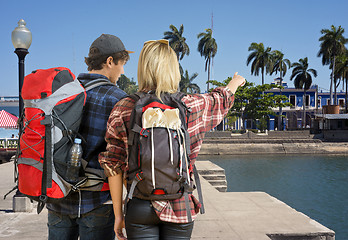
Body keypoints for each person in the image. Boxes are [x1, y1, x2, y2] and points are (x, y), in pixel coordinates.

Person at [99, 39, 245, 240]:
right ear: (173, 68)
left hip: (140, 204)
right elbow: (221, 99)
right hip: (180, 203)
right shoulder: (192, 105)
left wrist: (118, 214)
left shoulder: (124, 107)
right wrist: (235, 82)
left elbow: (113, 165)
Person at [46, 34, 133, 240]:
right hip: (97, 202)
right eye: (122, 64)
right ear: (110, 61)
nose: (123, 71)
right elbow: (122, 157)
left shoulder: (63, 93)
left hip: (58, 195)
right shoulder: (117, 99)